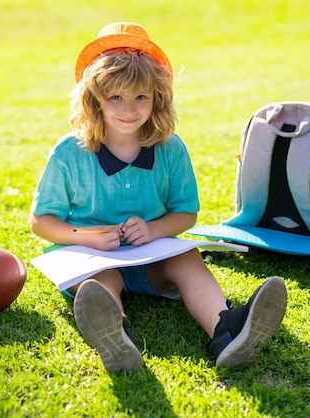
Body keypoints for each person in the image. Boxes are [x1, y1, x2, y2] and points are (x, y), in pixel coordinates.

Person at [30, 22, 287, 372]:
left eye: (141, 97)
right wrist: (87, 236)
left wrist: (153, 230)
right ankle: (117, 338)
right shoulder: (69, 153)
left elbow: (185, 214)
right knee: (104, 281)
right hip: (91, 259)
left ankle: (227, 331)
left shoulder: (170, 149)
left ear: (157, 98)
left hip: (152, 260)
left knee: (188, 259)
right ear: (95, 99)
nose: (129, 109)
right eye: (115, 97)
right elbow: (41, 222)